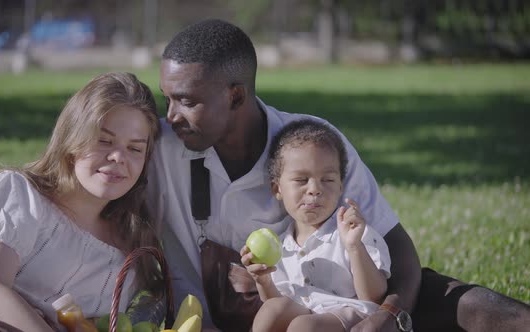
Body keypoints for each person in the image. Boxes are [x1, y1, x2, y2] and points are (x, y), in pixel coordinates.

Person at [147, 18, 530, 331]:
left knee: (485, 311)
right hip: (255, 320)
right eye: (168, 99)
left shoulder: (312, 141)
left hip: (344, 310)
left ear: (235, 96)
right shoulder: (158, 146)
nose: (172, 116)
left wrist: (389, 316)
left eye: (187, 101)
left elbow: (397, 247)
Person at [0, 72, 164, 331]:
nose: (118, 157)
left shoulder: (129, 246)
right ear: (72, 139)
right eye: (104, 141)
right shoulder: (19, 195)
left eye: (135, 148)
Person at [240, 119, 391, 331]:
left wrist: (355, 247)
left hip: (352, 316)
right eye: (301, 180)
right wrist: (263, 281)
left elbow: (374, 296)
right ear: (277, 189)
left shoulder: (354, 234)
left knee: (305, 326)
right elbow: (277, 301)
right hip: (304, 312)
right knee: (272, 310)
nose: (314, 189)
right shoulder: (280, 246)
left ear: (340, 186)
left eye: (327, 180)